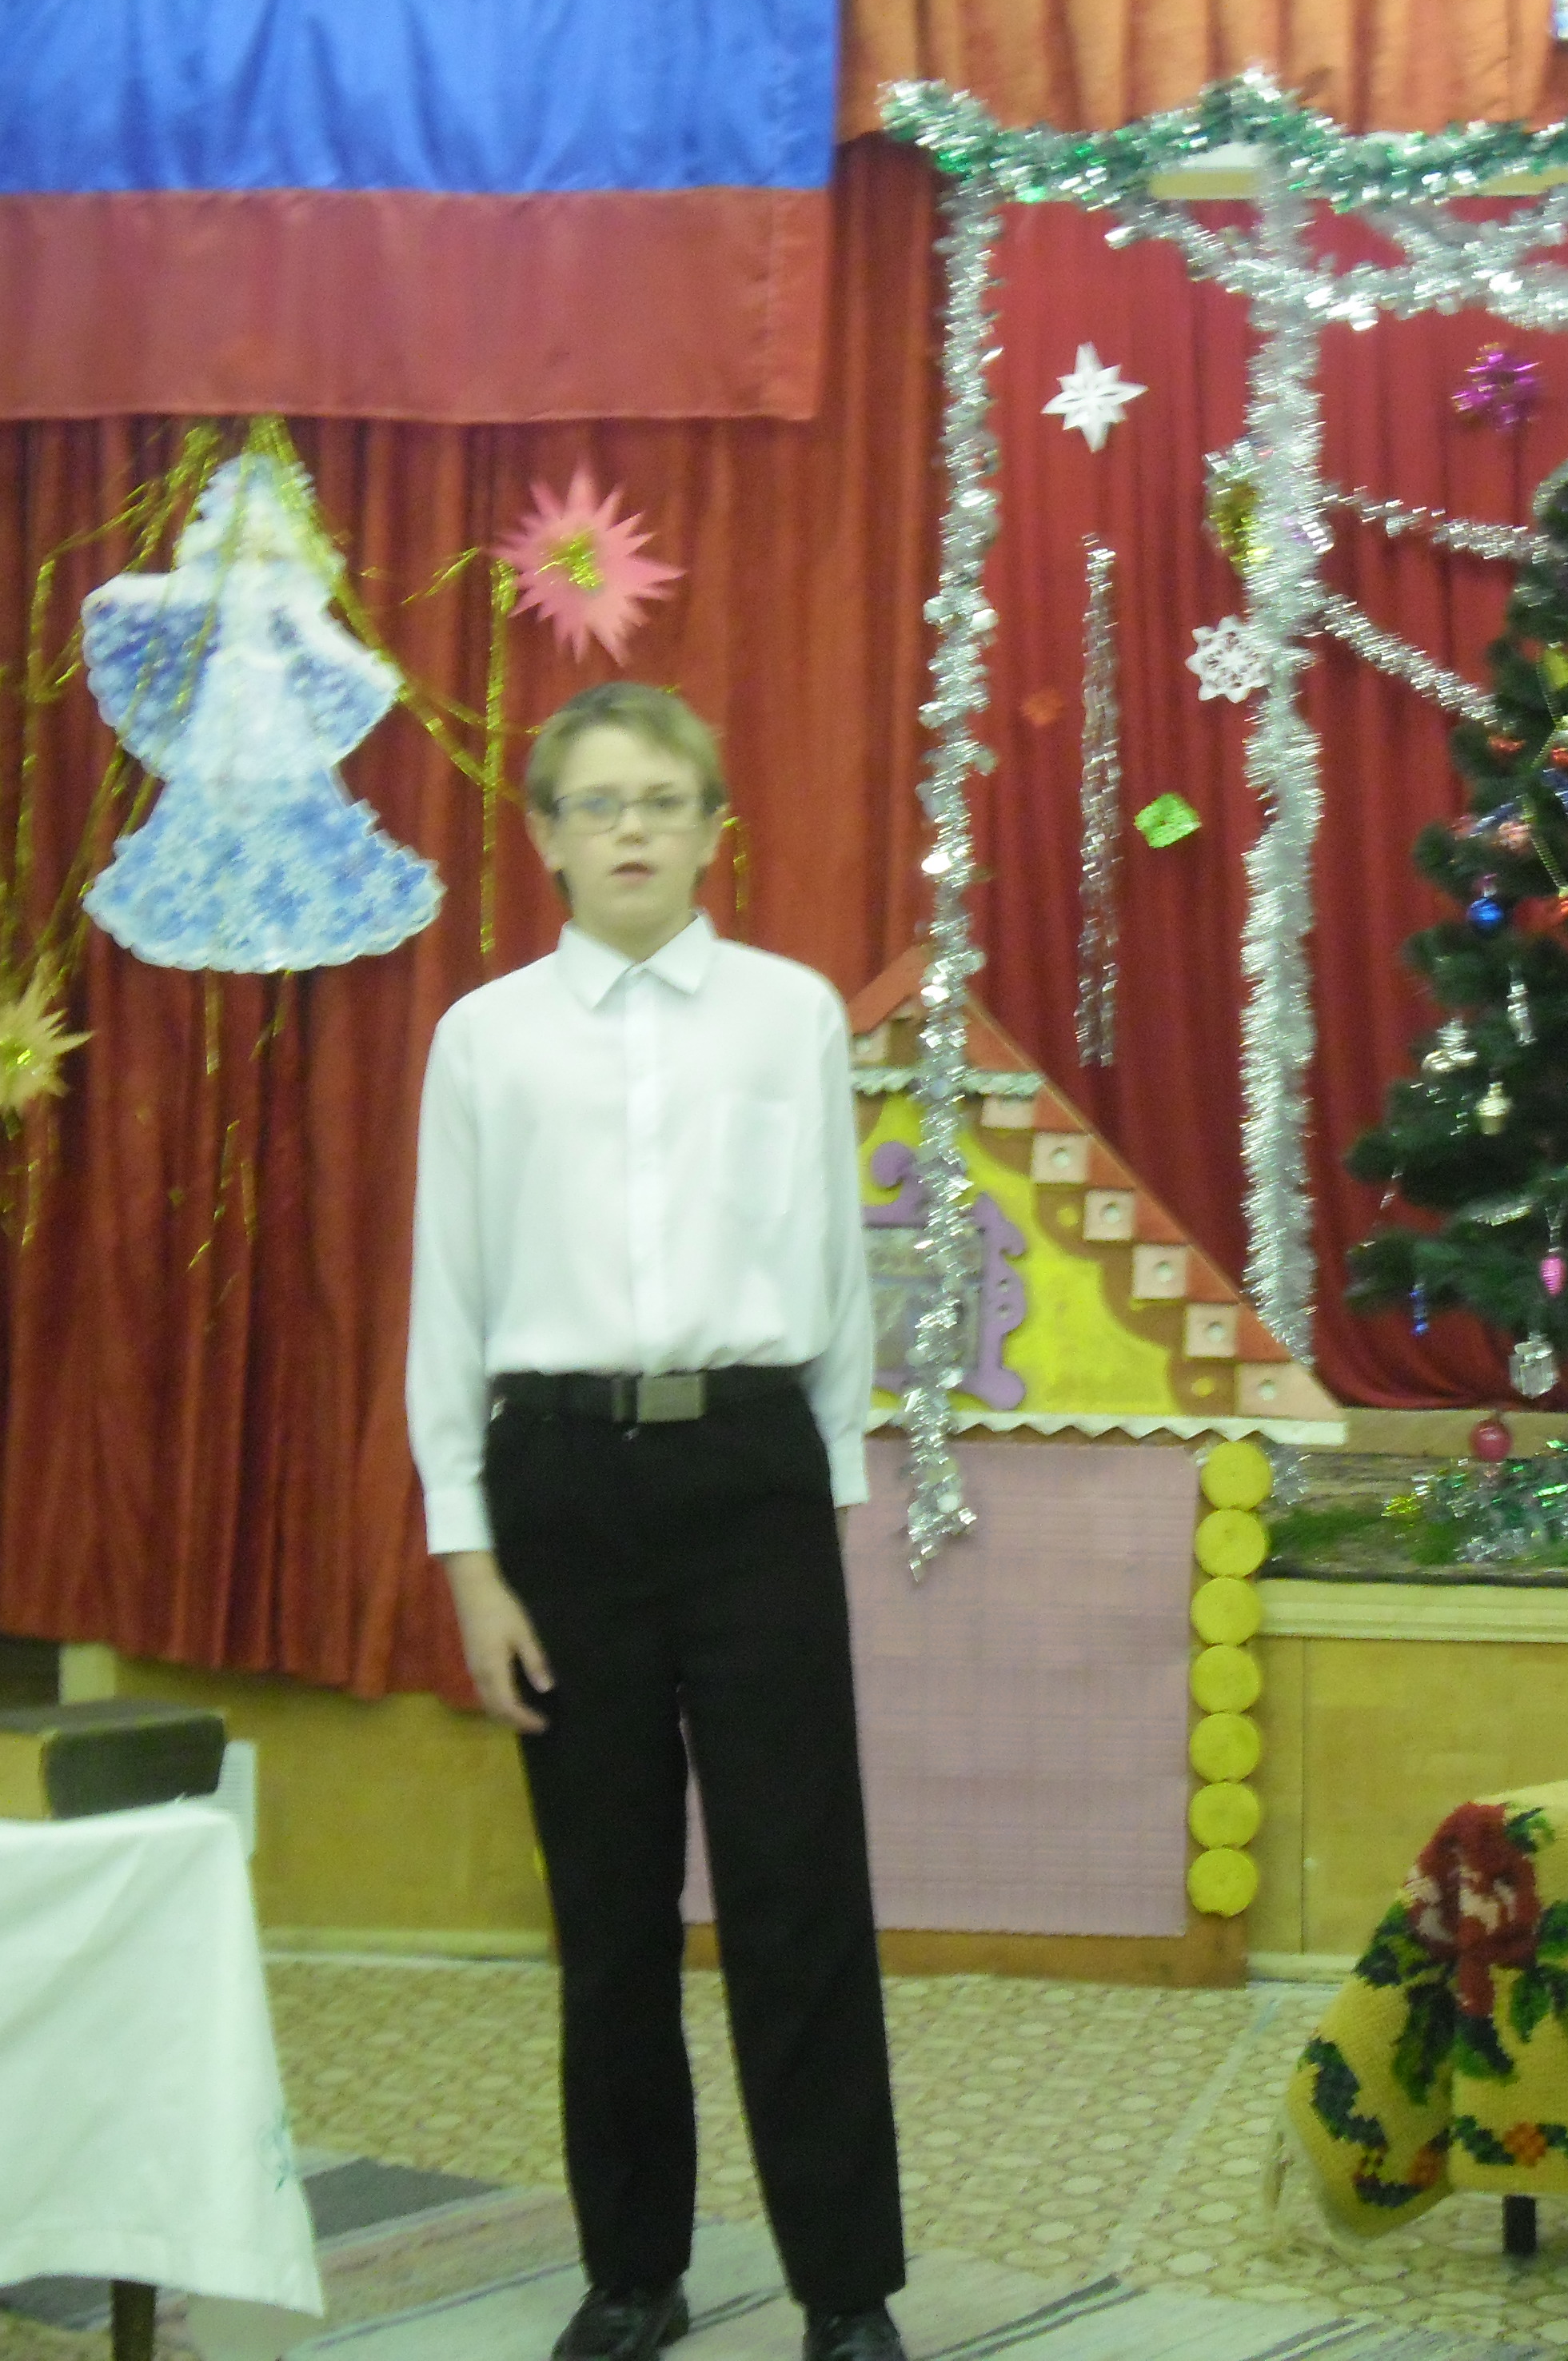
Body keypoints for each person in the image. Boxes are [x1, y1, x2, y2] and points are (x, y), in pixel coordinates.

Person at [407, 681, 908, 2361]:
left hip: (749, 1478)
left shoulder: (787, 1017)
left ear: (711, 830)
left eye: (664, 800)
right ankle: (633, 2271)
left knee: (796, 1897)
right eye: (597, 803)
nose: (631, 829)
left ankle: (846, 2287)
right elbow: (446, 1305)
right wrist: (468, 1558)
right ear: (544, 836)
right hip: (559, 1491)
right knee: (608, 1910)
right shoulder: (485, 1039)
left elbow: (835, 1271)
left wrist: (824, 1499)